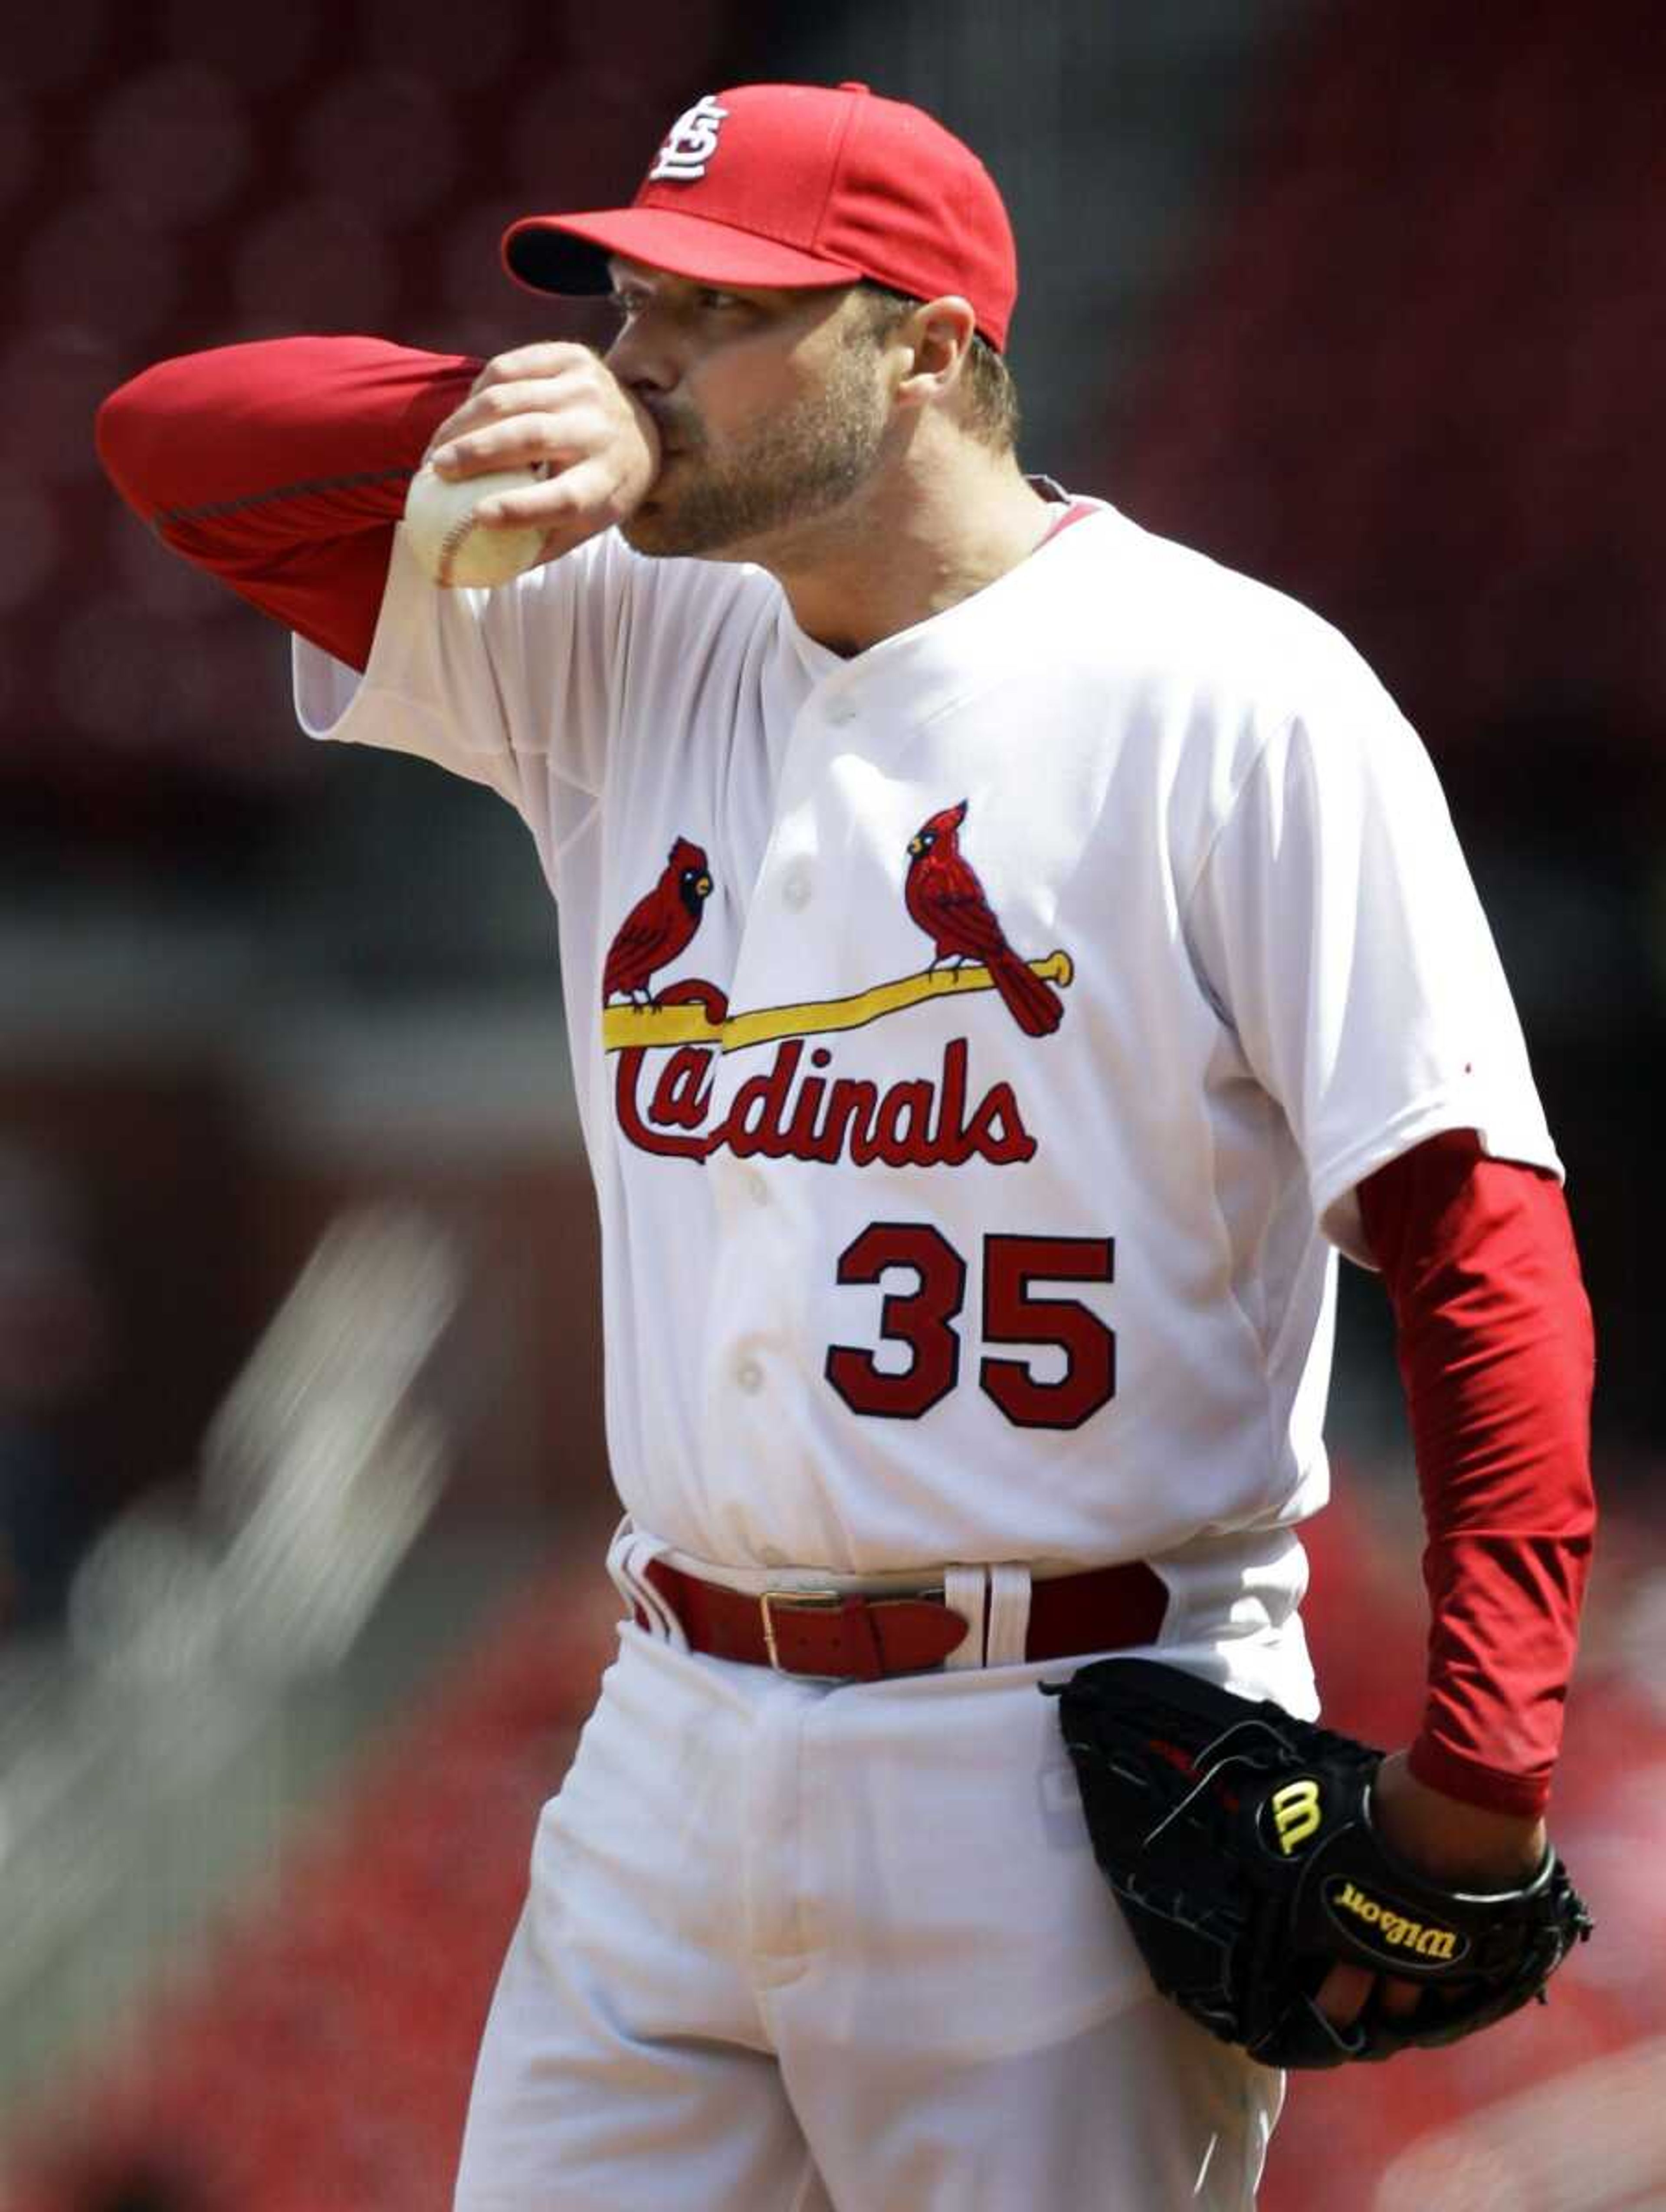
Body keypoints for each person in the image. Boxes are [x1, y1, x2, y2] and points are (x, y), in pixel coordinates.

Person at [97, 79, 1594, 2212]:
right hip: (670, 1734)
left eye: (717, 313)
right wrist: (499, 420)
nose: (641, 355)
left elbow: (1479, 1239)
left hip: (1066, 1745)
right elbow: (173, 438)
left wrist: (1487, 1760)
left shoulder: (1232, 694)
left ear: (926, 349)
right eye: (631, 302)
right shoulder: (622, 629)